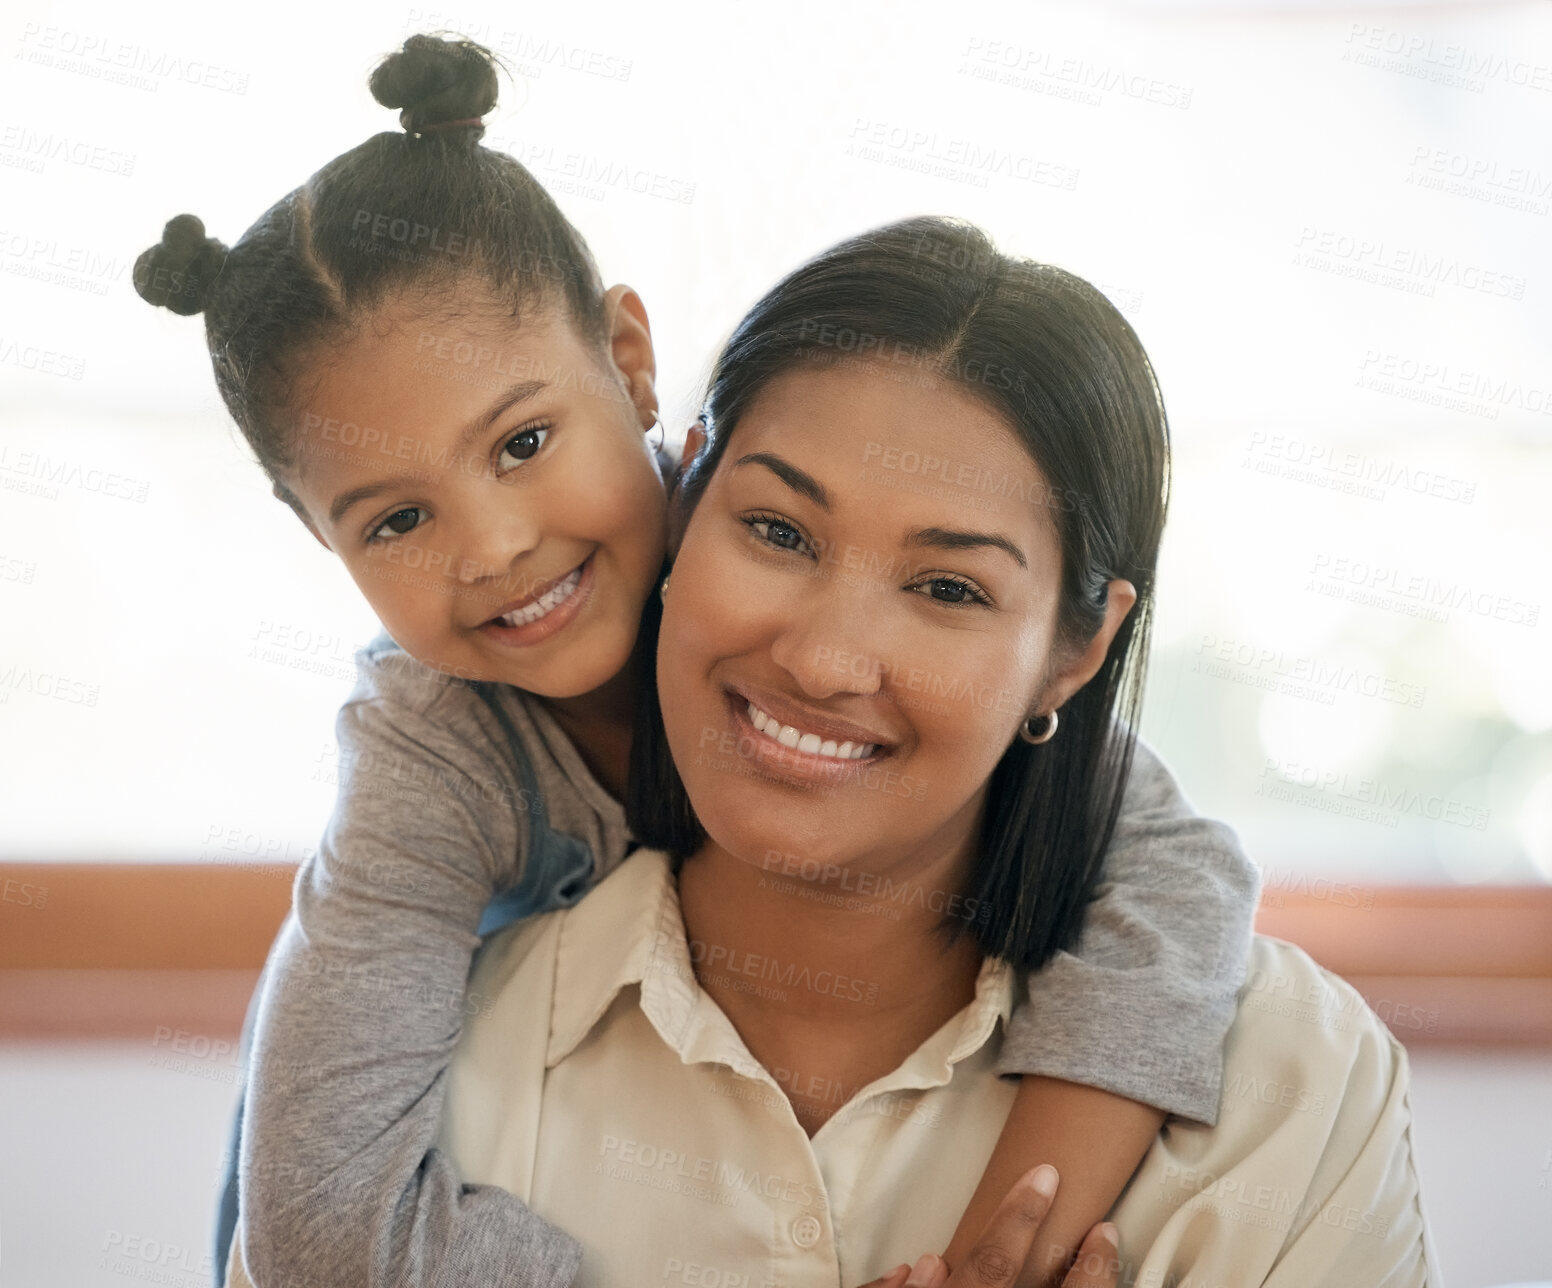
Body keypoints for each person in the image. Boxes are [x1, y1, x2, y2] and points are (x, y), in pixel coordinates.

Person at [132, 35, 1259, 1288]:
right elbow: (323, 1230)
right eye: (395, 520)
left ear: (629, 361)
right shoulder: (429, 754)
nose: (497, 547)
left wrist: (999, 1249)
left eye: (523, 441)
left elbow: (1175, 868)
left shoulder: (794, 579)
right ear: (316, 533)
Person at [418, 216, 1431, 1284]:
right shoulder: (429, 1065)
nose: (822, 660)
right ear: (683, 501)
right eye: (776, 531)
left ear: (1074, 652)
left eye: (947, 588)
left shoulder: (1295, 1087)